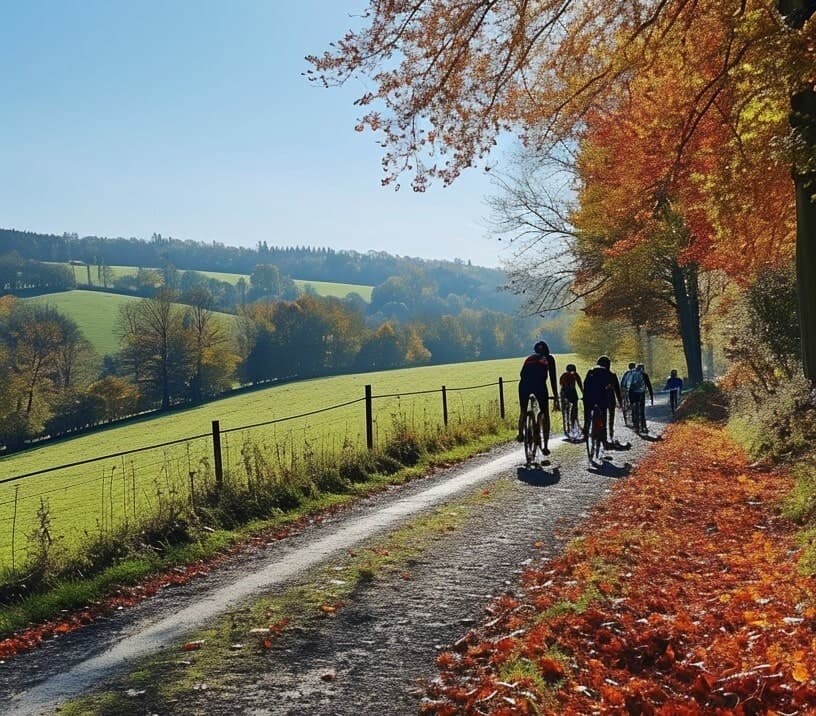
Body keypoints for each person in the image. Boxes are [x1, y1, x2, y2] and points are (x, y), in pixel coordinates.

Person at [517, 340, 559, 455]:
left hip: (524, 384)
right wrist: (556, 397)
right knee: (545, 412)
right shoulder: (549, 358)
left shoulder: (530, 358)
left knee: (523, 410)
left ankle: (520, 433)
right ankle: (545, 445)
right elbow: (553, 378)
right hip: (539, 385)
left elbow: (522, 374)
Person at [582, 356, 622, 447]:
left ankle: (586, 429)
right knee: (603, 417)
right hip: (601, 399)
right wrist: (620, 402)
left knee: (587, 415)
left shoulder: (591, 371)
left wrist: (585, 396)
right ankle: (604, 441)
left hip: (588, 397)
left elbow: (585, 384)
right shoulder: (611, 374)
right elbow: (617, 390)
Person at [629, 363, 654, 433]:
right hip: (641, 394)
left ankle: (636, 426)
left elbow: (628, 385)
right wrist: (651, 396)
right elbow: (649, 385)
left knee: (634, 410)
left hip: (632, 394)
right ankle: (643, 426)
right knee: (641, 410)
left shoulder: (632, 374)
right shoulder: (644, 375)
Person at [559, 363, 583, 436]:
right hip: (572, 392)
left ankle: (567, 427)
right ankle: (573, 424)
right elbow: (580, 384)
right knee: (574, 409)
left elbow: (561, 384)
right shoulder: (575, 375)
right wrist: (583, 393)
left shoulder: (563, 375)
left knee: (565, 412)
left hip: (564, 393)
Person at [619, 362, 636, 427]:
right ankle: (635, 420)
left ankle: (628, 421)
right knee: (634, 406)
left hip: (627, 392)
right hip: (634, 392)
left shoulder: (626, 374)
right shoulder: (637, 373)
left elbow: (622, 384)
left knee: (627, 407)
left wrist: (622, 393)